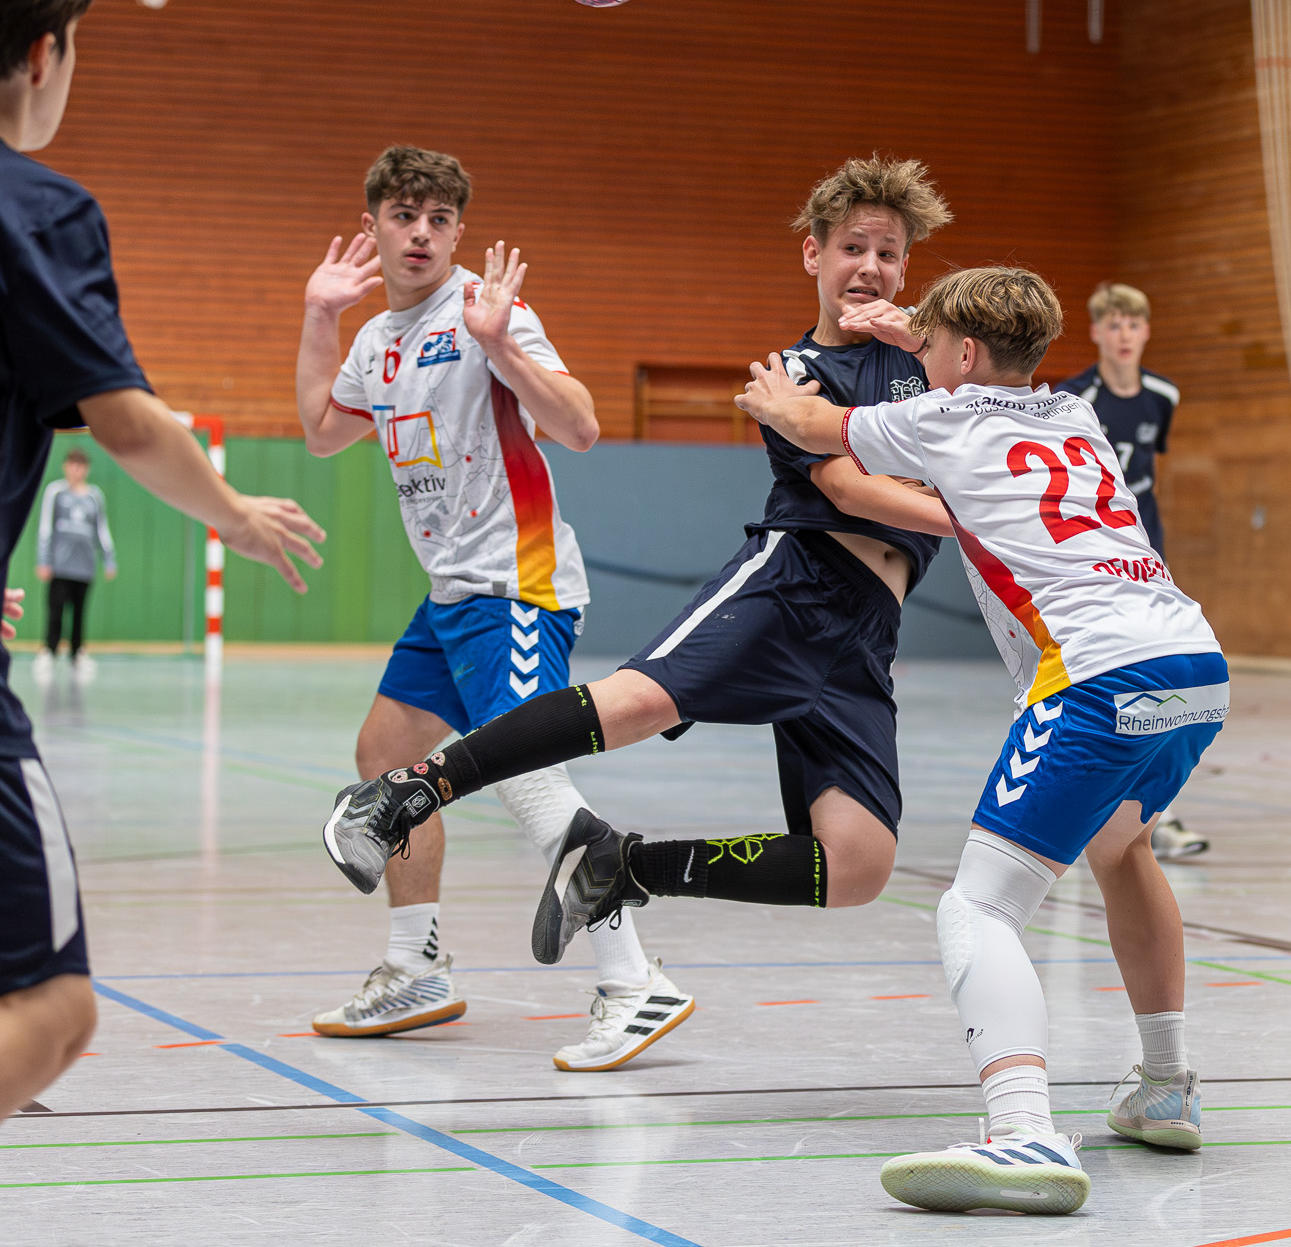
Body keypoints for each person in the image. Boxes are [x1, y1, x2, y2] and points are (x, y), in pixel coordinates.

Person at [0, 0, 325, 1245]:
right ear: (49, 55)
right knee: (48, 1006)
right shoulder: (32, 203)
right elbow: (125, 418)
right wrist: (230, 508)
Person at [322, 156, 956, 956]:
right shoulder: (793, 374)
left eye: (889, 253)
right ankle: (409, 791)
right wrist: (967, 510)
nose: (870, 267)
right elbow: (853, 486)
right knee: (632, 704)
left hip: (867, 634)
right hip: (797, 585)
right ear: (814, 255)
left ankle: (627, 866)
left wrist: (922, 346)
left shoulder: (930, 361)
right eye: (852, 248)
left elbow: (1001, 411)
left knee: (859, 864)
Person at [743, 266, 1226, 1213]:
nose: (916, 362)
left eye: (928, 349)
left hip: (1093, 670)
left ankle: (1023, 1132)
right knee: (1122, 848)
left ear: (962, 357)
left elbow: (826, 447)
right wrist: (914, 324)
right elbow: (966, 366)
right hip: (1192, 663)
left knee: (978, 907)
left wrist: (775, 394)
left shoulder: (942, 421)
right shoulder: (1078, 415)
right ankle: (1164, 1083)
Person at [294, 145, 691, 1070]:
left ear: (458, 230)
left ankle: (636, 980)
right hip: (450, 595)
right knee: (386, 756)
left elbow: (583, 426)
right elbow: (319, 433)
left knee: (527, 776)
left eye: (438, 218)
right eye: (403, 214)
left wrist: (503, 343)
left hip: (516, 583)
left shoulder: (484, 312)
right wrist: (320, 313)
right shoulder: (373, 341)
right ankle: (416, 965)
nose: (421, 232)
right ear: (375, 227)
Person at [1059, 283, 1208, 861]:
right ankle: (1080, 805)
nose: (1123, 335)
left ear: (1146, 332)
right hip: (1091, 556)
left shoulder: (1163, 396)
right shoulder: (1074, 398)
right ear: (1096, 331)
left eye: (1133, 325)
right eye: (1112, 325)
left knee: (1162, 681)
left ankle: (1153, 813)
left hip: (1148, 556)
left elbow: (1147, 468)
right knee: (1093, 680)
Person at [32, 447, 115, 682]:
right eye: (72, 465)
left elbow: (101, 529)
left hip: (84, 567)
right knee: (55, 611)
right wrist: (44, 560)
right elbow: (45, 527)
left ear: (86, 469)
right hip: (60, 566)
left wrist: (108, 558)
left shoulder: (94, 496)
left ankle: (77, 653)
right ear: (66, 467)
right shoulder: (55, 492)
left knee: (80, 613)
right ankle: (48, 652)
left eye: (81, 466)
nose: (76, 470)